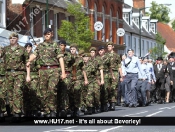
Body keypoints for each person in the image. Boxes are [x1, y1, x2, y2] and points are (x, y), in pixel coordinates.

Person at [26, 28, 66, 117]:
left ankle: (52, 110)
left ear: (52, 34)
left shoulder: (55, 45)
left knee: (52, 90)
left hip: (54, 70)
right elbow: (34, 55)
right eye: (45, 34)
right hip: (43, 71)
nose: (46, 35)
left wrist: (63, 72)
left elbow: (60, 58)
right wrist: (29, 61)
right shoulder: (40, 46)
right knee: (43, 92)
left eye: (48, 34)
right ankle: (47, 110)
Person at [0, 32, 27, 121]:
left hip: (19, 73)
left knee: (17, 92)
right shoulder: (5, 49)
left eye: (14, 38)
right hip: (8, 74)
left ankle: (17, 112)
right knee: (10, 93)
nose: (12, 39)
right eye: (10, 38)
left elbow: (27, 62)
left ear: (17, 39)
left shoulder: (22, 49)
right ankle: (12, 111)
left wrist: (28, 75)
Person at [57, 40, 75, 117]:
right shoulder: (55, 54)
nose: (61, 47)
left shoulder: (69, 55)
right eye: (60, 45)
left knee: (65, 91)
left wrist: (74, 75)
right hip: (57, 74)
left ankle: (65, 108)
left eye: (63, 45)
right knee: (57, 92)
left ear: (65, 46)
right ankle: (57, 108)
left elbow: (73, 65)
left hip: (67, 75)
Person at [24, 43, 40, 117]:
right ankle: (27, 111)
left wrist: (39, 76)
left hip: (34, 75)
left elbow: (38, 67)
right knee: (26, 93)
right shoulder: (23, 56)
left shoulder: (34, 56)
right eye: (26, 47)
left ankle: (34, 110)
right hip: (24, 76)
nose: (28, 48)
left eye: (29, 47)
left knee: (33, 92)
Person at [69, 44, 84, 117]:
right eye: (71, 49)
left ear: (76, 50)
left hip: (78, 78)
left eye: (74, 49)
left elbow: (83, 69)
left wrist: (85, 79)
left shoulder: (80, 59)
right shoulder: (68, 57)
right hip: (70, 78)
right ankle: (72, 109)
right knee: (71, 93)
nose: (72, 50)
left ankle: (76, 109)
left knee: (77, 92)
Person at [106, 42, 121, 110]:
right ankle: (109, 102)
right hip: (107, 73)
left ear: (113, 47)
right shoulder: (106, 55)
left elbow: (119, 66)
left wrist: (121, 75)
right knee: (108, 88)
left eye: (110, 46)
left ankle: (113, 103)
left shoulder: (116, 55)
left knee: (114, 88)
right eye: (108, 46)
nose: (108, 47)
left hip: (114, 72)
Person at [97, 46, 110, 112]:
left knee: (105, 90)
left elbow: (109, 67)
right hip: (99, 75)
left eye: (101, 50)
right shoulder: (97, 58)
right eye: (99, 50)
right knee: (99, 91)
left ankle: (105, 104)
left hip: (105, 75)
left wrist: (111, 76)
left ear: (104, 51)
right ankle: (100, 105)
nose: (100, 51)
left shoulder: (107, 58)